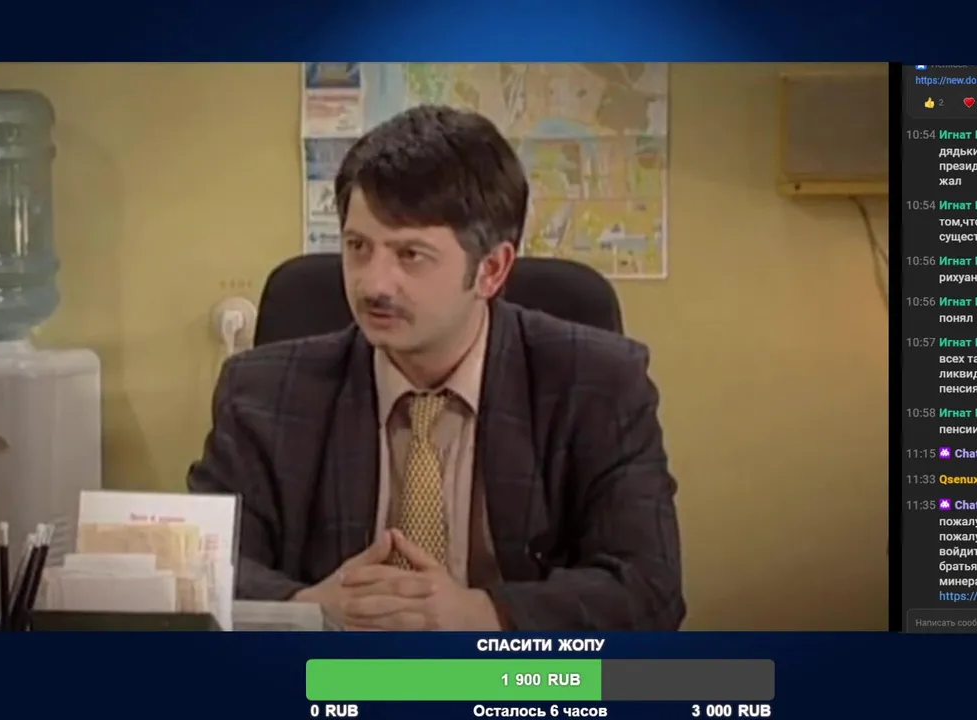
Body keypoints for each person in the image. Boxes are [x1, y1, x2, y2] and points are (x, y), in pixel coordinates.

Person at [189, 105, 684, 631]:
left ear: (491, 270)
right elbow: (201, 566)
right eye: (358, 247)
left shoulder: (598, 383)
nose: (373, 284)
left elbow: (648, 589)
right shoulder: (262, 392)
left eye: (410, 255)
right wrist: (304, 609)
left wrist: (482, 613)